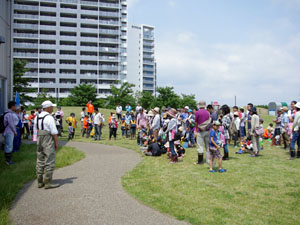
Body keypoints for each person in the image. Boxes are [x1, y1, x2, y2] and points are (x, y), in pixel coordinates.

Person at [34, 100, 59, 189]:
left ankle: (40, 181)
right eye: (51, 107)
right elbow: (54, 132)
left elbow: (35, 129)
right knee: (49, 159)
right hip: (47, 138)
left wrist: (36, 140)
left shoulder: (37, 117)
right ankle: (48, 182)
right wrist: (56, 143)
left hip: (39, 138)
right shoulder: (49, 117)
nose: (52, 108)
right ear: (48, 108)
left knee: (40, 160)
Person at [3, 101, 17, 165]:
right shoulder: (9, 114)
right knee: (9, 145)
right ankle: (8, 160)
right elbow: (11, 124)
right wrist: (15, 131)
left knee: (8, 145)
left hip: (7, 131)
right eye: (15, 106)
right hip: (9, 132)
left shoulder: (7, 113)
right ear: (12, 106)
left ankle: (8, 160)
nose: (15, 107)